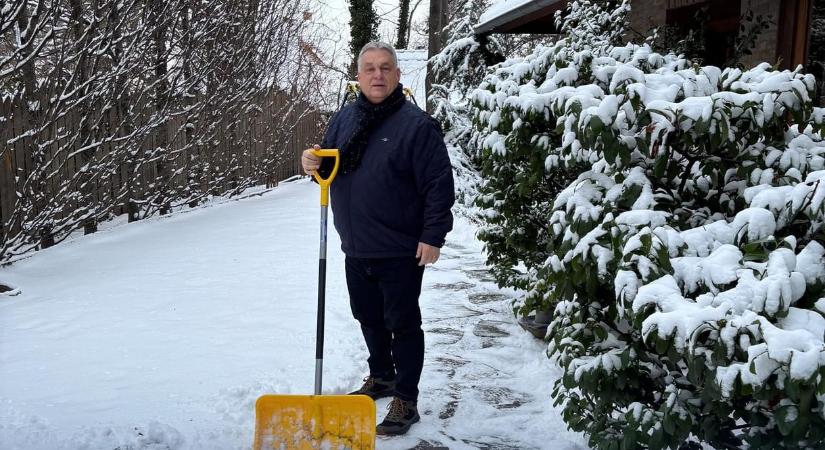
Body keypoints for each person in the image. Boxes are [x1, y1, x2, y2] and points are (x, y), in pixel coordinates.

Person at [301, 41, 455, 436]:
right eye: (369, 68)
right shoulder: (344, 119)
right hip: (356, 245)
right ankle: (382, 376)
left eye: (385, 68)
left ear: (398, 75)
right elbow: (328, 166)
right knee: (367, 316)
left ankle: (407, 397)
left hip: (401, 247)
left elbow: (438, 184)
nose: (377, 75)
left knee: (402, 323)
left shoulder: (416, 125)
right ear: (358, 75)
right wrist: (311, 163)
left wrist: (433, 235)